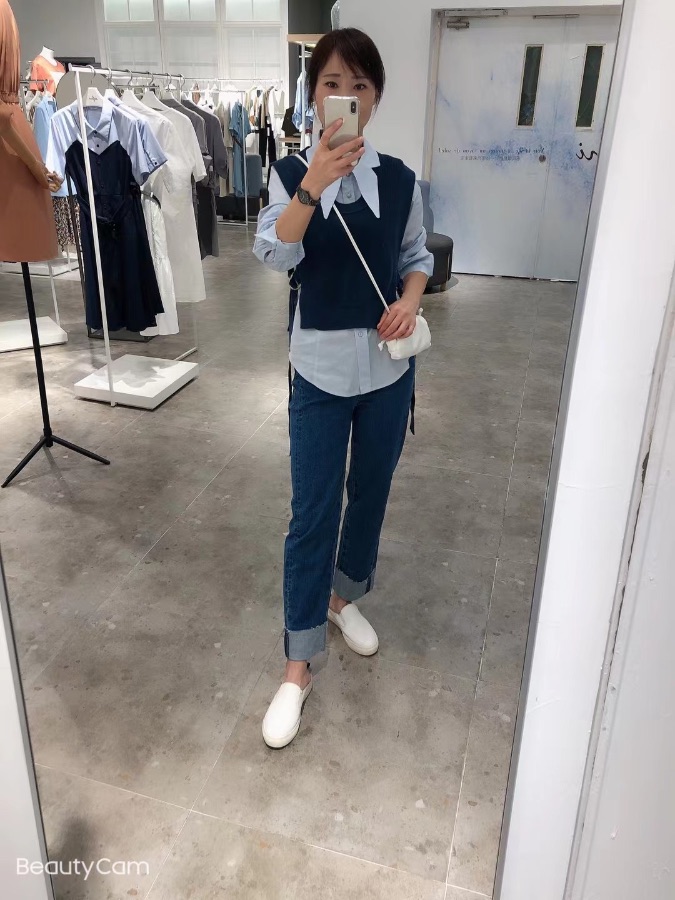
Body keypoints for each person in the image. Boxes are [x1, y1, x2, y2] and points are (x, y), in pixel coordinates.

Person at [253, 28, 434, 749]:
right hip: (320, 371)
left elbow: (417, 256)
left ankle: (343, 594)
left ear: (376, 98)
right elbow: (274, 252)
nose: (346, 96)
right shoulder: (289, 173)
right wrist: (313, 183)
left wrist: (411, 301)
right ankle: (297, 665)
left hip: (388, 370)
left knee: (372, 491)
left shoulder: (400, 179)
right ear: (313, 95)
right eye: (332, 83)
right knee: (312, 511)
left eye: (360, 86)